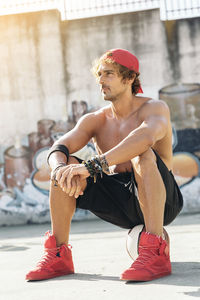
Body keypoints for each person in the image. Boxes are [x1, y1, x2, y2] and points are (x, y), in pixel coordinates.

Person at [26, 48, 183, 282]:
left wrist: (92, 166)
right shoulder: (95, 119)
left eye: (108, 74)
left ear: (129, 78)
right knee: (66, 166)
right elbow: (59, 146)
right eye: (99, 74)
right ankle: (59, 255)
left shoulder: (154, 107)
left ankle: (156, 252)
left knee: (142, 154)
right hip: (120, 201)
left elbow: (145, 137)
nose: (100, 80)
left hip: (163, 199)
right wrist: (59, 170)